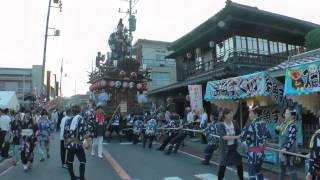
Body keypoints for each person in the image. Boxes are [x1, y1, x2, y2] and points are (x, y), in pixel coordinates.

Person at [240, 107, 270, 180]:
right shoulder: (264, 123)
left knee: (252, 173)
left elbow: (243, 137)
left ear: (256, 114)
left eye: (251, 113)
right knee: (258, 171)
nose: (249, 115)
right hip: (261, 152)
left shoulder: (251, 125)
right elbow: (268, 136)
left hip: (253, 152)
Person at [64, 105, 89, 180]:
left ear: (72, 111)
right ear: (80, 111)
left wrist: (66, 143)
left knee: (70, 161)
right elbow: (85, 132)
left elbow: (65, 133)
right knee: (82, 161)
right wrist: (87, 141)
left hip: (70, 143)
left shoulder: (68, 120)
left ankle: (72, 177)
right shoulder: (81, 119)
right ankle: (82, 178)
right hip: (78, 143)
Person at [217, 108, 243, 180]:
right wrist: (236, 137)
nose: (232, 115)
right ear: (225, 115)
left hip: (235, 148)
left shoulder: (235, 122)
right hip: (225, 148)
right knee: (222, 166)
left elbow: (239, 132)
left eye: (232, 113)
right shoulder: (220, 125)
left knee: (239, 165)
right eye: (230, 114)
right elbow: (224, 137)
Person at [276, 108, 298, 180]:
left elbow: (291, 139)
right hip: (282, 150)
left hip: (289, 151)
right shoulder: (284, 123)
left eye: (287, 113)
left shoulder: (293, 125)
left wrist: (285, 148)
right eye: (285, 113)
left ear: (292, 116)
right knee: (281, 170)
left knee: (292, 170)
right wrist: (276, 130)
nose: (285, 115)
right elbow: (279, 133)